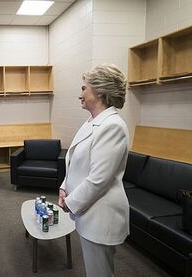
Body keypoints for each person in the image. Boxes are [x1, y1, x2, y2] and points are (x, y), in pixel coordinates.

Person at [58, 64, 130, 277]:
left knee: (99, 274)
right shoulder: (93, 121)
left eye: (84, 88)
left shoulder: (112, 126)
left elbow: (99, 179)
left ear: (99, 91)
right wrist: (64, 187)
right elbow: (75, 162)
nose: (80, 95)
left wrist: (70, 203)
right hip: (89, 212)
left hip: (101, 215)